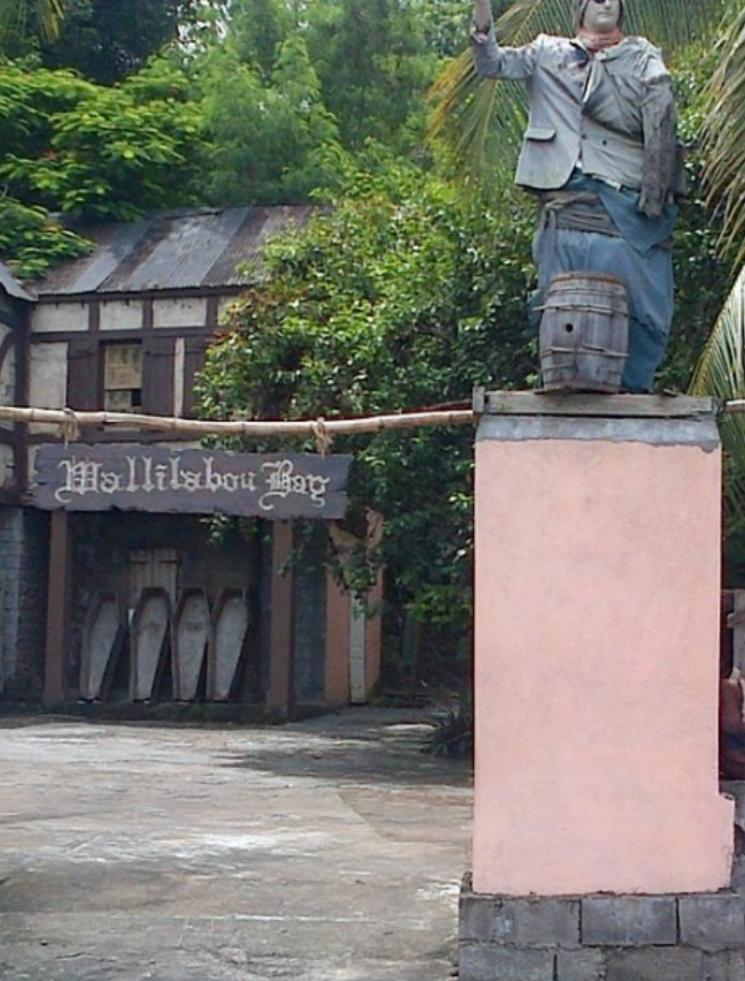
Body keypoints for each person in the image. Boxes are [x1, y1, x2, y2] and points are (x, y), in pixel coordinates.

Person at [470, 0, 684, 393]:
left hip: (624, 194)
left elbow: (662, 121)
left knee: (645, 305)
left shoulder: (642, 57)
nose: (605, 2)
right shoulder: (547, 51)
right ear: (579, 8)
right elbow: (493, 64)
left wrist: (658, 190)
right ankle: (565, 379)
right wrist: (482, 12)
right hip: (563, 193)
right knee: (559, 304)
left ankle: (632, 389)